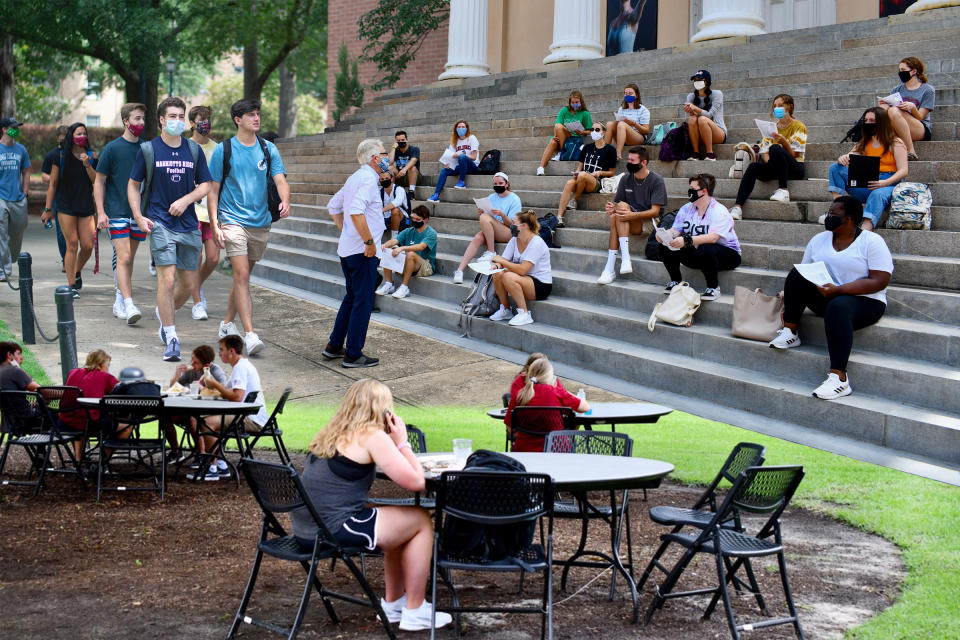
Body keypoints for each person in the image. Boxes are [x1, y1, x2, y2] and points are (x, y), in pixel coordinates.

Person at [291, 378, 452, 632]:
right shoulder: (372, 435)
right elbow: (417, 481)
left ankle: (393, 604)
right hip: (332, 530)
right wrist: (402, 442)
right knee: (420, 520)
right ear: (383, 410)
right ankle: (415, 610)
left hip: (306, 529)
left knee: (399, 522)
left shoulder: (332, 431)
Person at [769, 196, 893, 400]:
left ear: (850, 219)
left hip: (866, 301)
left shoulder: (872, 242)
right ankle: (790, 331)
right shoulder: (819, 240)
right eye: (829, 213)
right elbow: (805, 271)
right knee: (796, 274)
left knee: (839, 307)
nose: (829, 217)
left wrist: (839, 289)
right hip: (828, 295)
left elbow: (880, 281)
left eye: (835, 214)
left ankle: (839, 378)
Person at [128, 96, 212, 362]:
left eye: (180, 117)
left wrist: (186, 200)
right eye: (172, 116)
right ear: (162, 120)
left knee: (188, 285)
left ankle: (164, 314)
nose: (177, 121)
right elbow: (133, 185)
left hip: (189, 224)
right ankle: (172, 336)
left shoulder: (194, 151)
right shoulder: (148, 150)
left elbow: (206, 185)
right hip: (160, 222)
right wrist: (139, 217)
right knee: (166, 279)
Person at [208, 98, 290, 356]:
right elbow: (213, 191)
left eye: (258, 114)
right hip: (232, 219)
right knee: (242, 276)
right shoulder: (224, 150)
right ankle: (250, 334)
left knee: (242, 277)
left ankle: (225, 323)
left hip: (260, 222)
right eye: (251, 115)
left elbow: (280, 180)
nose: (256, 118)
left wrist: (285, 200)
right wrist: (215, 223)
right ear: (238, 120)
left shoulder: (268, 149)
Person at [323, 138, 389, 368]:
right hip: (362, 252)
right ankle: (353, 353)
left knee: (351, 297)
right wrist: (368, 242)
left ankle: (334, 346)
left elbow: (334, 206)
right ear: (375, 158)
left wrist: (348, 233)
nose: (386, 157)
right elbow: (355, 211)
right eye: (384, 153)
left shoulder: (355, 178)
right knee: (363, 300)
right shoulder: (368, 180)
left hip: (350, 248)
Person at [187, 334, 268, 481]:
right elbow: (227, 392)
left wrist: (215, 384)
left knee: (206, 422)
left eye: (221, 349)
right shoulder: (241, 366)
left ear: (231, 351)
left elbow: (237, 397)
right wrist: (211, 387)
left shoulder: (241, 368)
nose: (219, 353)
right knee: (204, 419)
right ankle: (222, 464)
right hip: (249, 415)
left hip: (252, 419)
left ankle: (211, 467)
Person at [95, 103, 147, 324]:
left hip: (138, 213)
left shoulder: (147, 148)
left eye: (143, 119)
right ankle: (128, 302)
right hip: (116, 210)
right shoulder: (112, 149)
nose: (141, 123)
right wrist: (100, 212)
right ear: (126, 121)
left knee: (128, 259)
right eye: (136, 119)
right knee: (124, 256)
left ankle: (119, 298)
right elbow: (99, 181)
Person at [657, 174, 741, 301]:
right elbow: (676, 229)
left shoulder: (719, 210)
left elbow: (713, 238)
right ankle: (675, 281)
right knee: (666, 245)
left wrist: (687, 240)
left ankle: (713, 288)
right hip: (698, 254)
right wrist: (666, 235)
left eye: (692, 188)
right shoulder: (686, 208)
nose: (689, 191)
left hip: (727, 255)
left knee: (706, 247)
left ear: (704, 191)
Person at [827, 107, 908, 231]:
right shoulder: (865, 141)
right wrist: (843, 158)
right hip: (867, 182)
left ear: (882, 122)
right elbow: (851, 156)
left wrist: (884, 183)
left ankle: (864, 230)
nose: (868, 123)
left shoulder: (896, 142)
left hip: (889, 184)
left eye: (872, 120)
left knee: (877, 194)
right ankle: (838, 210)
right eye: (866, 120)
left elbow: (903, 170)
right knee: (836, 167)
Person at [730, 94, 807, 220]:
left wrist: (783, 142)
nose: (777, 108)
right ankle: (738, 207)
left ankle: (783, 190)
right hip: (778, 168)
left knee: (775, 148)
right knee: (754, 166)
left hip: (795, 168)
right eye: (775, 106)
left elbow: (795, 154)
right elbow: (764, 151)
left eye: (781, 105)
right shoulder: (772, 128)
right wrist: (772, 163)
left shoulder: (799, 126)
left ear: (790, 106)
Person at [42, 122, 98, 296]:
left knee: (88, 245)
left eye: (84, 133)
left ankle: (76, 270)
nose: (82, 137)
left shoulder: (91, 155)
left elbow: (96, 181)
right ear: (71, 136)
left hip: (85, 205)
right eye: (78, 134)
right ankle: (71, 284)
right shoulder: (60, 155)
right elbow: (52, 184)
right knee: (72, 244)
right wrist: (48, 208)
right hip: (65, 205)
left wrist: (88, 164)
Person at [596, 146, 666, 284]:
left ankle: (610, 268)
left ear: (643, 163)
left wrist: (631, 215)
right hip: (629, 219)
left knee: (619, 214)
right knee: (617, 212)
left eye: (632, 160)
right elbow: (618, 205)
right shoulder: (626, 178)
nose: (629, 163)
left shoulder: (656, 180)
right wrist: (612, 208)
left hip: (650, 222)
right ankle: (623, 260)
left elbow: (655, 212)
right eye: (628, 159)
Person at [503, 357, 588, 452]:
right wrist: (566, 391)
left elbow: (510, 426)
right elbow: (585, 407)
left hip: (524, 449)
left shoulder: (520, 395)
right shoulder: (557, 392)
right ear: (549, 376)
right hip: (557, 448)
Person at [452, 171, 522, 284]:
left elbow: (514, 225)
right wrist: (481, 211)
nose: (497, 185)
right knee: (478, 237)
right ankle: (459, 270)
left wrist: (503, 215)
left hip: (508, 231)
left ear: (507, 184)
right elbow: (487, 217)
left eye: (500, 183)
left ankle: (491, 251)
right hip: (494, 229)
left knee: (485, 217)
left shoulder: (515, 199)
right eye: (495, 184)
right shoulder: (491, 197)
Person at [489, 210, 553, 327]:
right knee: (497, 273)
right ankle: (506, 310)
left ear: (524, 226)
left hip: (541, 284)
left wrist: (502, 262)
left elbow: (523, 269)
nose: (511, 226)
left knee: (507, 276)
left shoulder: (536, 242)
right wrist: (497, 265)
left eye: (514, 223)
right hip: (524, 279)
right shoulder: (514, 239)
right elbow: (503, 260)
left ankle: (524, 314)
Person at [187, 104, 220, 321]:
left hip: (212, 211)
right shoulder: (184, 146)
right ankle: (197, 301)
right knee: (195, 257)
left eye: (208, 119)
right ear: (192, 123)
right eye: (201, 119)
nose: (205, 123)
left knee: (214, 258)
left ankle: (194, 286)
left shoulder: (217, 148)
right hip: (191, 211)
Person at [62, 349, 119, 460]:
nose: (108, 368)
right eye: (108, 365)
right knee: (127, 426)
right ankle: (103, 460)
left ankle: (79, 460)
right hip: (90, 424)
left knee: (80, 415)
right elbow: (121, 389)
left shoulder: (73, 372)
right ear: (101, 364)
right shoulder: (105, 376)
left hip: (64, 422)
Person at [557, 123, 617, 226]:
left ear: (604, 132)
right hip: (581, 178)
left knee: (583, 175)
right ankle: (559, 217)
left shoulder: (610, 150)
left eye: (597, 130)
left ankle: (574, 199)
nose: (594, 131)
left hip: (596, 182)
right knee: (569, 183)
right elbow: (579, 168)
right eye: (592, 129)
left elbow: (611, 172)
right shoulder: (587, 147)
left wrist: (600, 172)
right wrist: (576, 174)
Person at [879, 56, 934, 161]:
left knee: (894, 111)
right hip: (898, 124)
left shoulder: (927, 90)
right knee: (885, 111)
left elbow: (921, 117)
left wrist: (913, 108)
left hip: (920, 128)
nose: (900, 73)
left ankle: (911, 150)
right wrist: (883, 105)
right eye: (899, 70)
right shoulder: (896, 89)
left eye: (903, 70)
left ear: (914, 71)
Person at [376, 206, 437, 300]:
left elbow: (421, 247)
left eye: (418, 219)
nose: (415, 221)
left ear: (426, 220)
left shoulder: (431, 233)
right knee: (388, 250)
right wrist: (385, 245)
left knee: (410, 253)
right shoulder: (408, 231)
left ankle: (404, 287)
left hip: (426, 266)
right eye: (413, 218)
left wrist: (402, 248)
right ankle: (389, 284)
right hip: (409, 263)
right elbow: (395, 241)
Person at [0, 118, 30, 283]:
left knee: (18, 231)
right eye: (12, 128)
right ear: (4, 129)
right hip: (1, 198)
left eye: (17, 128)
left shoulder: (21, 150)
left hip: (18, 198)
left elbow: (26, 172)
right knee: (1, 234)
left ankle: (9, 258)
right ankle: (3, 269)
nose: (15, 130)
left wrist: (25, 194)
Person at [535, 90, 592, 176]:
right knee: (553, 141)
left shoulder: (585, 113)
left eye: (576, 102)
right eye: (572, 102)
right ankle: (541, 168)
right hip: (561, 136)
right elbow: (557, 124)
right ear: (570, 102)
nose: (574, 104)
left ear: (581, 101)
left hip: (573, 139)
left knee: (559, 127)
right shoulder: (564, 110)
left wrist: (582, 132)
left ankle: (562, 153)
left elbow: (589, 131)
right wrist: (555, 136)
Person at [40, 125, 69, 270]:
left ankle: (71, 257)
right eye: (62, 135)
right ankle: (66, 260)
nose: (64, 138)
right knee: (61, 231)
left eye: (67, 135)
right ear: (58, 137)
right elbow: (44, 175)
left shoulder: (76, 153)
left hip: (75, 196)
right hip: (58, 197)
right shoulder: (52, 155)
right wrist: (55, 177)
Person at [427, 120, 478, 201]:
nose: (461, 129)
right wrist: (448, 164)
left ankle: (461, 182)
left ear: (467, 128)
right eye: (459, 127)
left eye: (463, 127)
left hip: (472, 166)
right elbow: (451, 157)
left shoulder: (472, 138)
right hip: (460, 167)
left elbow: (474, 157)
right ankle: (436, 195)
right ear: (456, 129)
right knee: (444, 170)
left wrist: (461, 155)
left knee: (461, 157)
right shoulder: (454, 142)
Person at [683, 70, 726, 161]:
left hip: (718, 133)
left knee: (702, 119)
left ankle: (710, 153)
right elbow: (693, 117)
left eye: (699, 80)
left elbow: (709, 115)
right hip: (700, 134)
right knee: (692, 119)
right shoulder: (691, 96)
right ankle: (696, 153)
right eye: (695, 80)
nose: (696, 82)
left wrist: (695, 108)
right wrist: (690, 110)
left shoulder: (717, 94)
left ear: (707, 82)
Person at [605, 83, 650, 159]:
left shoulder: (643, 110)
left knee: (622, 124)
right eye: (626, 93)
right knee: (609, 124)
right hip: (622, 136)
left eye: (630, 93)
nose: (627, 95)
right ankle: (603, 152)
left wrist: (634, 124)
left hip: (638, 137)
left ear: (636, 95)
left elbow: (646, 131)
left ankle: (618, 154)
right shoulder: (621, 109)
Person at [379, 171, 410, 241]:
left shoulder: (399, 189)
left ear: (392, 179)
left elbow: (397, 202)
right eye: (382, 179)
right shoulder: (379, 191)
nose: (384, 180)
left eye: (387, 178)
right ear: (379, 181)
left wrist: (382, 210)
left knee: (395, 210)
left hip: (403, 219)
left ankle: (394, 238)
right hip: (386, 219)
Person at [388, 131, 419, 196]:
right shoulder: (396, 150)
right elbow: (390, 163)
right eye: (398, 140)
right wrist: (394, 148)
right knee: (390, 168)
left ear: (407, 140)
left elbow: (414, 160)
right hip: (399, 176)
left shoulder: (414, 149)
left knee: (412, 168)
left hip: (413, 176)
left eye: (403, 140)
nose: (401, 142)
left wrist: (404, 169)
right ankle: (391, 191)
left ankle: (411, 192)